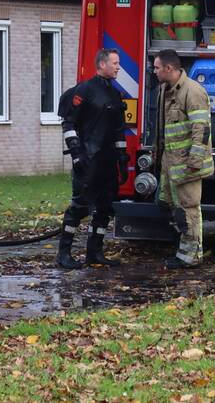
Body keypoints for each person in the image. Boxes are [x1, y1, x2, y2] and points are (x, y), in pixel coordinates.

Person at [56, 48, 129, 269]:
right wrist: (77, 155)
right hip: (89, 159)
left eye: (118, 63)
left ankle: (94, 252)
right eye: (114, 63)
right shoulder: (85, 90)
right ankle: (64, 253)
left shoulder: (116, 95)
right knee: (79, 207)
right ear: (101, 65)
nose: (118, 67)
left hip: (108, 161)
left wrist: (123, 158)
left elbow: (118, 130)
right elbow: (68, 124)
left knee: (105, 208)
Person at [152, 49, 214, 269]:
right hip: (170, 163)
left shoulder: (193, 92)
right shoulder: (164, 90)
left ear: (169, 68)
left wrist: (194, 161)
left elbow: (202, 129)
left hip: (187, 164)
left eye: (157, 67)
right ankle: (184, 249)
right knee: (173, 206)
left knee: (189, 208)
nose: (154, 71)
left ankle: (191, 256)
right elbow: (163, 126)